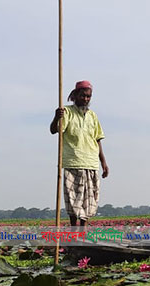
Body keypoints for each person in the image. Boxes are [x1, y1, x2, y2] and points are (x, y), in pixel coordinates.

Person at [50, 80, 109, 227]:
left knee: (89, 201)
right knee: (73, 200)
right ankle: (73, 231)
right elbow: (53, 130)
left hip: (91, 162)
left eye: (88, 96)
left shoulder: (93, 116)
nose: (85, 99)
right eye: (83, 96)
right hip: (73, 161)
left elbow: (97, 140)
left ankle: (83, 232)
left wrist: (104, 163)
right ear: (75, 95)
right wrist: (57, 117)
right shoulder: (67, 112)